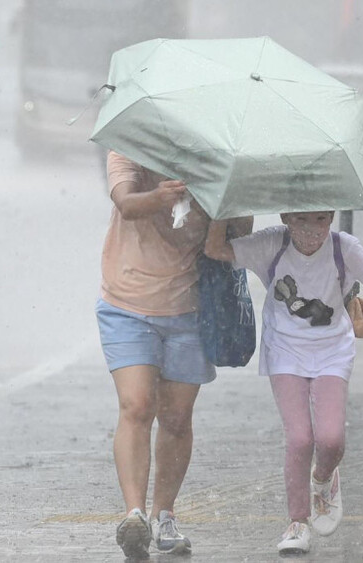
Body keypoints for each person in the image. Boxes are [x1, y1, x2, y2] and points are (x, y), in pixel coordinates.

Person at [204, 211, 363, 555]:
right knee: (300, 439)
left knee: (331, 439)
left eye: (322, 219)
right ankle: (297, 522)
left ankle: (323, 478)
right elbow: (214, 249)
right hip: (284, 349)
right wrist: (220, 209)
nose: (314, 230)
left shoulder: (346, 248)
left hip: (333, 349)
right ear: (287, 217)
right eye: (304, 220)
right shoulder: (271, 243)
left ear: (331, 216)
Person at [96, 151, 252, 559]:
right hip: (126, 302)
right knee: (136, 404)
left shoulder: (218, 156)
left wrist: (223, 197)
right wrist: (161, 196)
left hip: (190, 306)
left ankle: (164, 515)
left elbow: (241, 230)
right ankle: (134, 515)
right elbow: (126, 204)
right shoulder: (129, 147)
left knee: (177, 417)